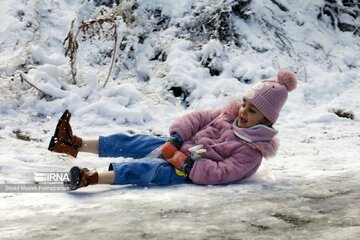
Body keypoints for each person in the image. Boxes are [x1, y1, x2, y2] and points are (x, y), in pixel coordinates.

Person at [48, 69, 297, 190]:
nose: (243, 112)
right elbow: (197, 118)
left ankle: (89, 178)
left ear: (266, 120)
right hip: (175, 148)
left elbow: (222, 173)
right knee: (137, 142)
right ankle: (73, 143)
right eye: (245, 104)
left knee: (147, 168)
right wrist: (177, 138)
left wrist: (185, 163)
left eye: (252, 111)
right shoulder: (227, 116)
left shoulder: (251, 153)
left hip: (185, 172)